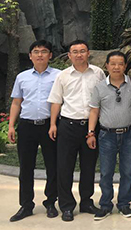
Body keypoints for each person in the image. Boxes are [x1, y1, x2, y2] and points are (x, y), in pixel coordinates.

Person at [47, 39, 106, 222]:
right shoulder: (63, 76)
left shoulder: (98, 73)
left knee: (89, 167)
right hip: (68, 126)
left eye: (82, 51)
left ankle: (86, 202)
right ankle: (66, 206)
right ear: (69, 55)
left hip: (91, 126)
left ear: (88, 53)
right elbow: (56, 101)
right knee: (64, 167)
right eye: (75, 51)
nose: (79, 54)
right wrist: (53, 124)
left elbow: (104, 98)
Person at [87, 51, 131, 220]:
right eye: (113, 64)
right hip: (107, 135)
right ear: (107, 66)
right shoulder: (99, 87)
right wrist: (91, 132)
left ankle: (124, 204)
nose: (116, 67)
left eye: (120, 64)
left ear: (125, 66)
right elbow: (94, 111)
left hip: (129, 134)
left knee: (127, 171)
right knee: (106, 172)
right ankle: (105, 205)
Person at [8, 40, 60, 222]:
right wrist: (11, 125)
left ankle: (51, 202)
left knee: (53, 166)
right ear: (30, 56)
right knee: (25, 167)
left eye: (44, 51)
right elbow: (16, 102)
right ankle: (26, 205)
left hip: (50, 125)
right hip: (27, 126)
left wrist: (54, 123)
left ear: (50, 55)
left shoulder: (58, 76)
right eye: (36, 52)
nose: (40, 55)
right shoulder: (22, 77)